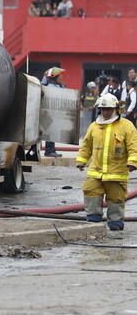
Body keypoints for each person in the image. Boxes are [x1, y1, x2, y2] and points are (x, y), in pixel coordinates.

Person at [76, 93, 137, 231]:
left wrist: (133, 162)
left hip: (116, 173)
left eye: (109, 109)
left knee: (116, 198)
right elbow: (86, 146)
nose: (106, 112)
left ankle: (115, 222)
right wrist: (81, 161)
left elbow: (134, 146)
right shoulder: (94, 126)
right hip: (96, 172)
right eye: (103, 109)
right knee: (91, 191)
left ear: (116, 109)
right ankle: (93, 220)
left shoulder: (126, 126)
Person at [42, 67, 65, 157]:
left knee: (53, 132)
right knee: (51, 132)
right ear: (55, 78)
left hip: (54, 113)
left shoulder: (56, 86)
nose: (61, 79)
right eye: (60, 77)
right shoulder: (51, 87)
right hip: (50, 113)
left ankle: (52, 150)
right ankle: (49, 151)